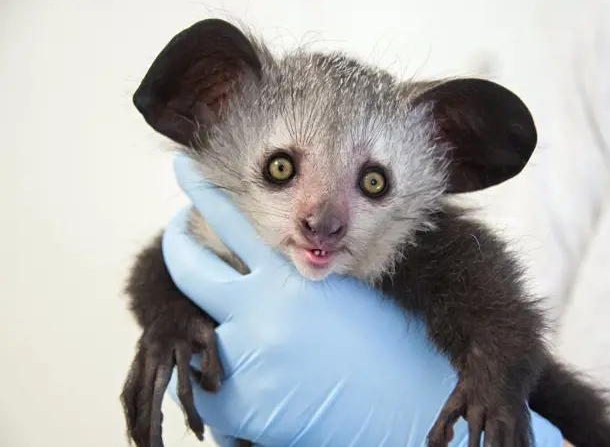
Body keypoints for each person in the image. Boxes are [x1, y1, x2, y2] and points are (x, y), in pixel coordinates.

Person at [160, 155, 569, 447]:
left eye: (373, 181)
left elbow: (502, 314)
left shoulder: (454, 262)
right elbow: (168, 275)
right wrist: (171, 323)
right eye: (281, 168)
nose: (323, 222)